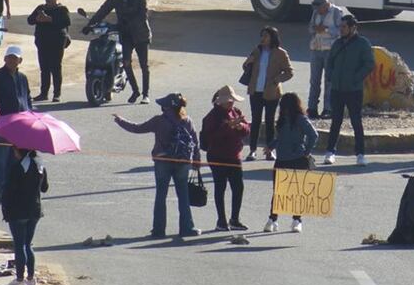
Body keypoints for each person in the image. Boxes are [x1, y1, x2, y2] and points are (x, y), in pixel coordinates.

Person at [113, 93, 202, 238]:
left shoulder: (159, 121)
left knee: (161, 196)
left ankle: (158, 230)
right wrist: (197, 160)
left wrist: (120, 120)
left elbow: (137, 128)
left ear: (166, 108)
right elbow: (195, 141)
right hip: (182, 162)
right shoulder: (187, 120)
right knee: (183, 196)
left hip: (162, 162)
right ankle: (187, 228)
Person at [87, 0, 151, 103]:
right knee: (126, 63)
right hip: (126, 34)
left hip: (140, 34)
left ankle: (146, 94)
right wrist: (90, 24)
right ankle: (135, 91)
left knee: (144, 65)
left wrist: (130, 22)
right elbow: (104, 9)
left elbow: (143, 14)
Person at [323, 14, 375, 166]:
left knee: (356, 122)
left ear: (353, 28)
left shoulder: (362, 43)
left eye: (344, 27)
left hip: (353, 90)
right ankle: (330, 152)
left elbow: (369, 64)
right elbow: (330, 61)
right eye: (340, 27)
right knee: (335, 121)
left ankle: (360, 154)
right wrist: (331, 76)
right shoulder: (337, 44)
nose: (341, 30)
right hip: (337, 89)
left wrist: (356, 78)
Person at [263, 92, 318, 233]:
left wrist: (306, 151)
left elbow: (313, 135)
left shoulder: (300, 119)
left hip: (298, 160)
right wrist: (271, 146)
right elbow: (281, 137)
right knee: (278, 192)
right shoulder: (281, 120)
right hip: (281, 160)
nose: (284, 109)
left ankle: (297, 220)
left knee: (297, 193)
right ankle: (273, 219)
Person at [0, 46, 30, 204]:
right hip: (3, 125)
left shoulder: (22, 77)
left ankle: (11, 192)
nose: (11, 60)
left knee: (16, 160)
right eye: (9, 57)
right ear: (4, 59)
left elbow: (26, 99)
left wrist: (29, 116)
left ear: (20, 61)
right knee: (0, 161)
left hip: (20, 125)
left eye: (14, 58)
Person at [200, 85, 250, 231]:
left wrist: (241, 127)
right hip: (217, 157)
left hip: (234, 156)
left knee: (238, 187)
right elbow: (211, 138)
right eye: (228, 101)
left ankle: (235, 219)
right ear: (219, 102)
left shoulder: (236, 112)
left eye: (232, 101)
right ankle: (221, 220)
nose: (231, 103)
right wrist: (229, 126)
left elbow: (247, 130)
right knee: (220, 188)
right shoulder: (211, 117)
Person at [0, 147, 48, 285]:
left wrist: (5, 210)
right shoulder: (39, 164)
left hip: (18, 211)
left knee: (19, 245)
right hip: (35, 210)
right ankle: (31, 278)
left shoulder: (18, 167)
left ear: (19, 152)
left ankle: (20, 278)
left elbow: (8, 191)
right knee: (28, 244)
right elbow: (45, 188)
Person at [242, 26, 293, 162]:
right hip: (255, 91)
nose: (263, 38)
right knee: (256, 120)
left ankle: (270, 151)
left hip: (272, 92)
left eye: (265, 36)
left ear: (272, 38)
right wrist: (248, 62)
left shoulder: (280, 53)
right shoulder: (257, 50)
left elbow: (289, 72)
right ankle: (252, 150)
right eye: (262, 36)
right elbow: (246, 66)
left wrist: (277, 80)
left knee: (270, 121)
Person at [27, 0, 70, 102]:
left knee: (56, 68)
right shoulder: (41, 8)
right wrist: (38, 18)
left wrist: (49, 19)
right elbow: (29, 20)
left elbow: (66, 22)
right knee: (44, 68)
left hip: (57, 42)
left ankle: (57, 94)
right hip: (42, 42)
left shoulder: (62, 9)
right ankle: (43, 93)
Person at [308, 0, 346, 119]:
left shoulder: (336, 13)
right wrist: (315, 29)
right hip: (316, 49)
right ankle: (312, 108)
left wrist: (326, 29)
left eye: (319, 7)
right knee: (314, 81)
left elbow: (340, 31)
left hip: (330, 50)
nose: (318, 10)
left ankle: (328, 108)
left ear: (326, 5)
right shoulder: (315, 13)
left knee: (329, 81)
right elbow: (310, 28)